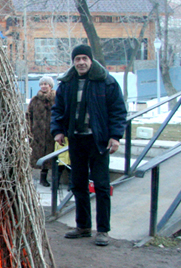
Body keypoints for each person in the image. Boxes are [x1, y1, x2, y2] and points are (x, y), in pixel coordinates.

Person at [51, 44, 127, 247]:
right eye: (77, 59)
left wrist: (115, 136)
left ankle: (103, 230)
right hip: (76, 140)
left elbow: (118, 111)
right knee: (78, 184)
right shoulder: (67, 83)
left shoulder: (106, 82)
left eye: (84, 58)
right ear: (73, 62)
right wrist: (58, 130)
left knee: (101, 186)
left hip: (98, 141)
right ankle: (83, 226)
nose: (81, 62)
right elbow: (58, 109)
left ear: (90, 60)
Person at [28, 76, 56, 187]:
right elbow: (29, 115)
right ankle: (41, 178)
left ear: (50, 86)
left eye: (46, 84)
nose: (44, 86)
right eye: (42, 84)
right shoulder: (35, 100)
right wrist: (29, 129)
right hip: (37, 134)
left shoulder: (56, 99)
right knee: (39, 156)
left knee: (52, 156)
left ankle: (54, 179)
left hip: (51, 133)